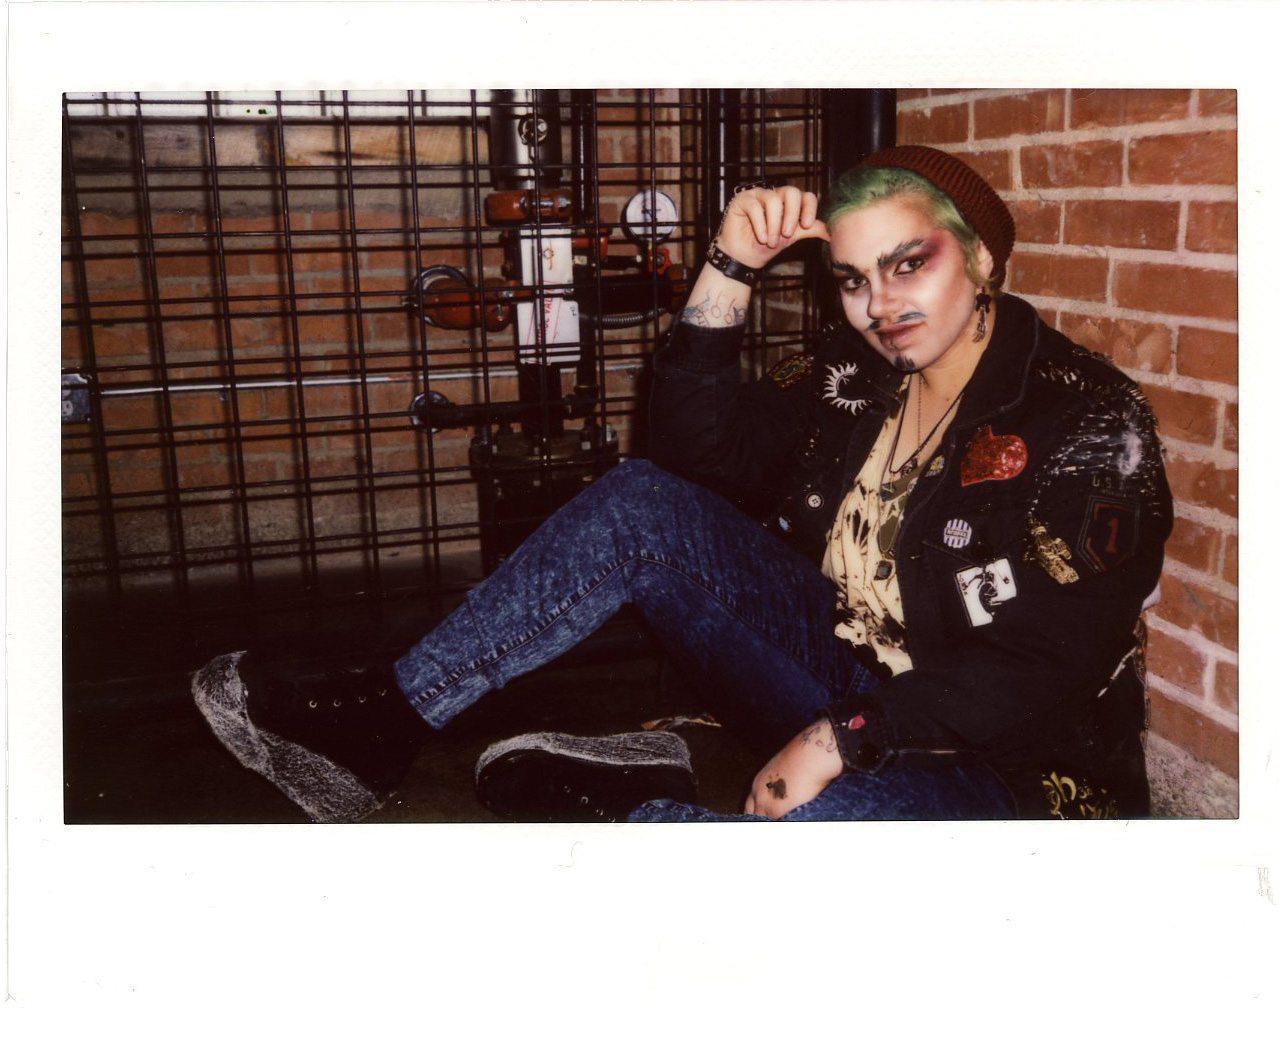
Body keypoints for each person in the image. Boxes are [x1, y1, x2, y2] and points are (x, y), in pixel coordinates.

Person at [192, 145, 1172, 824]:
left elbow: (1041, 666)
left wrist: (843, 738)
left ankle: (634, 809)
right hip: (840, 682)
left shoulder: (1087, 417)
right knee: (639, 505)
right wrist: (729, 266)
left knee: (817, 842)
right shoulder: (856, 368)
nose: (879, 305)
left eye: (907, 264)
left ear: (984, 257)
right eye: (851, 278)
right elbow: (692, 457)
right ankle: (387, 722)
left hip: (1002, 767)